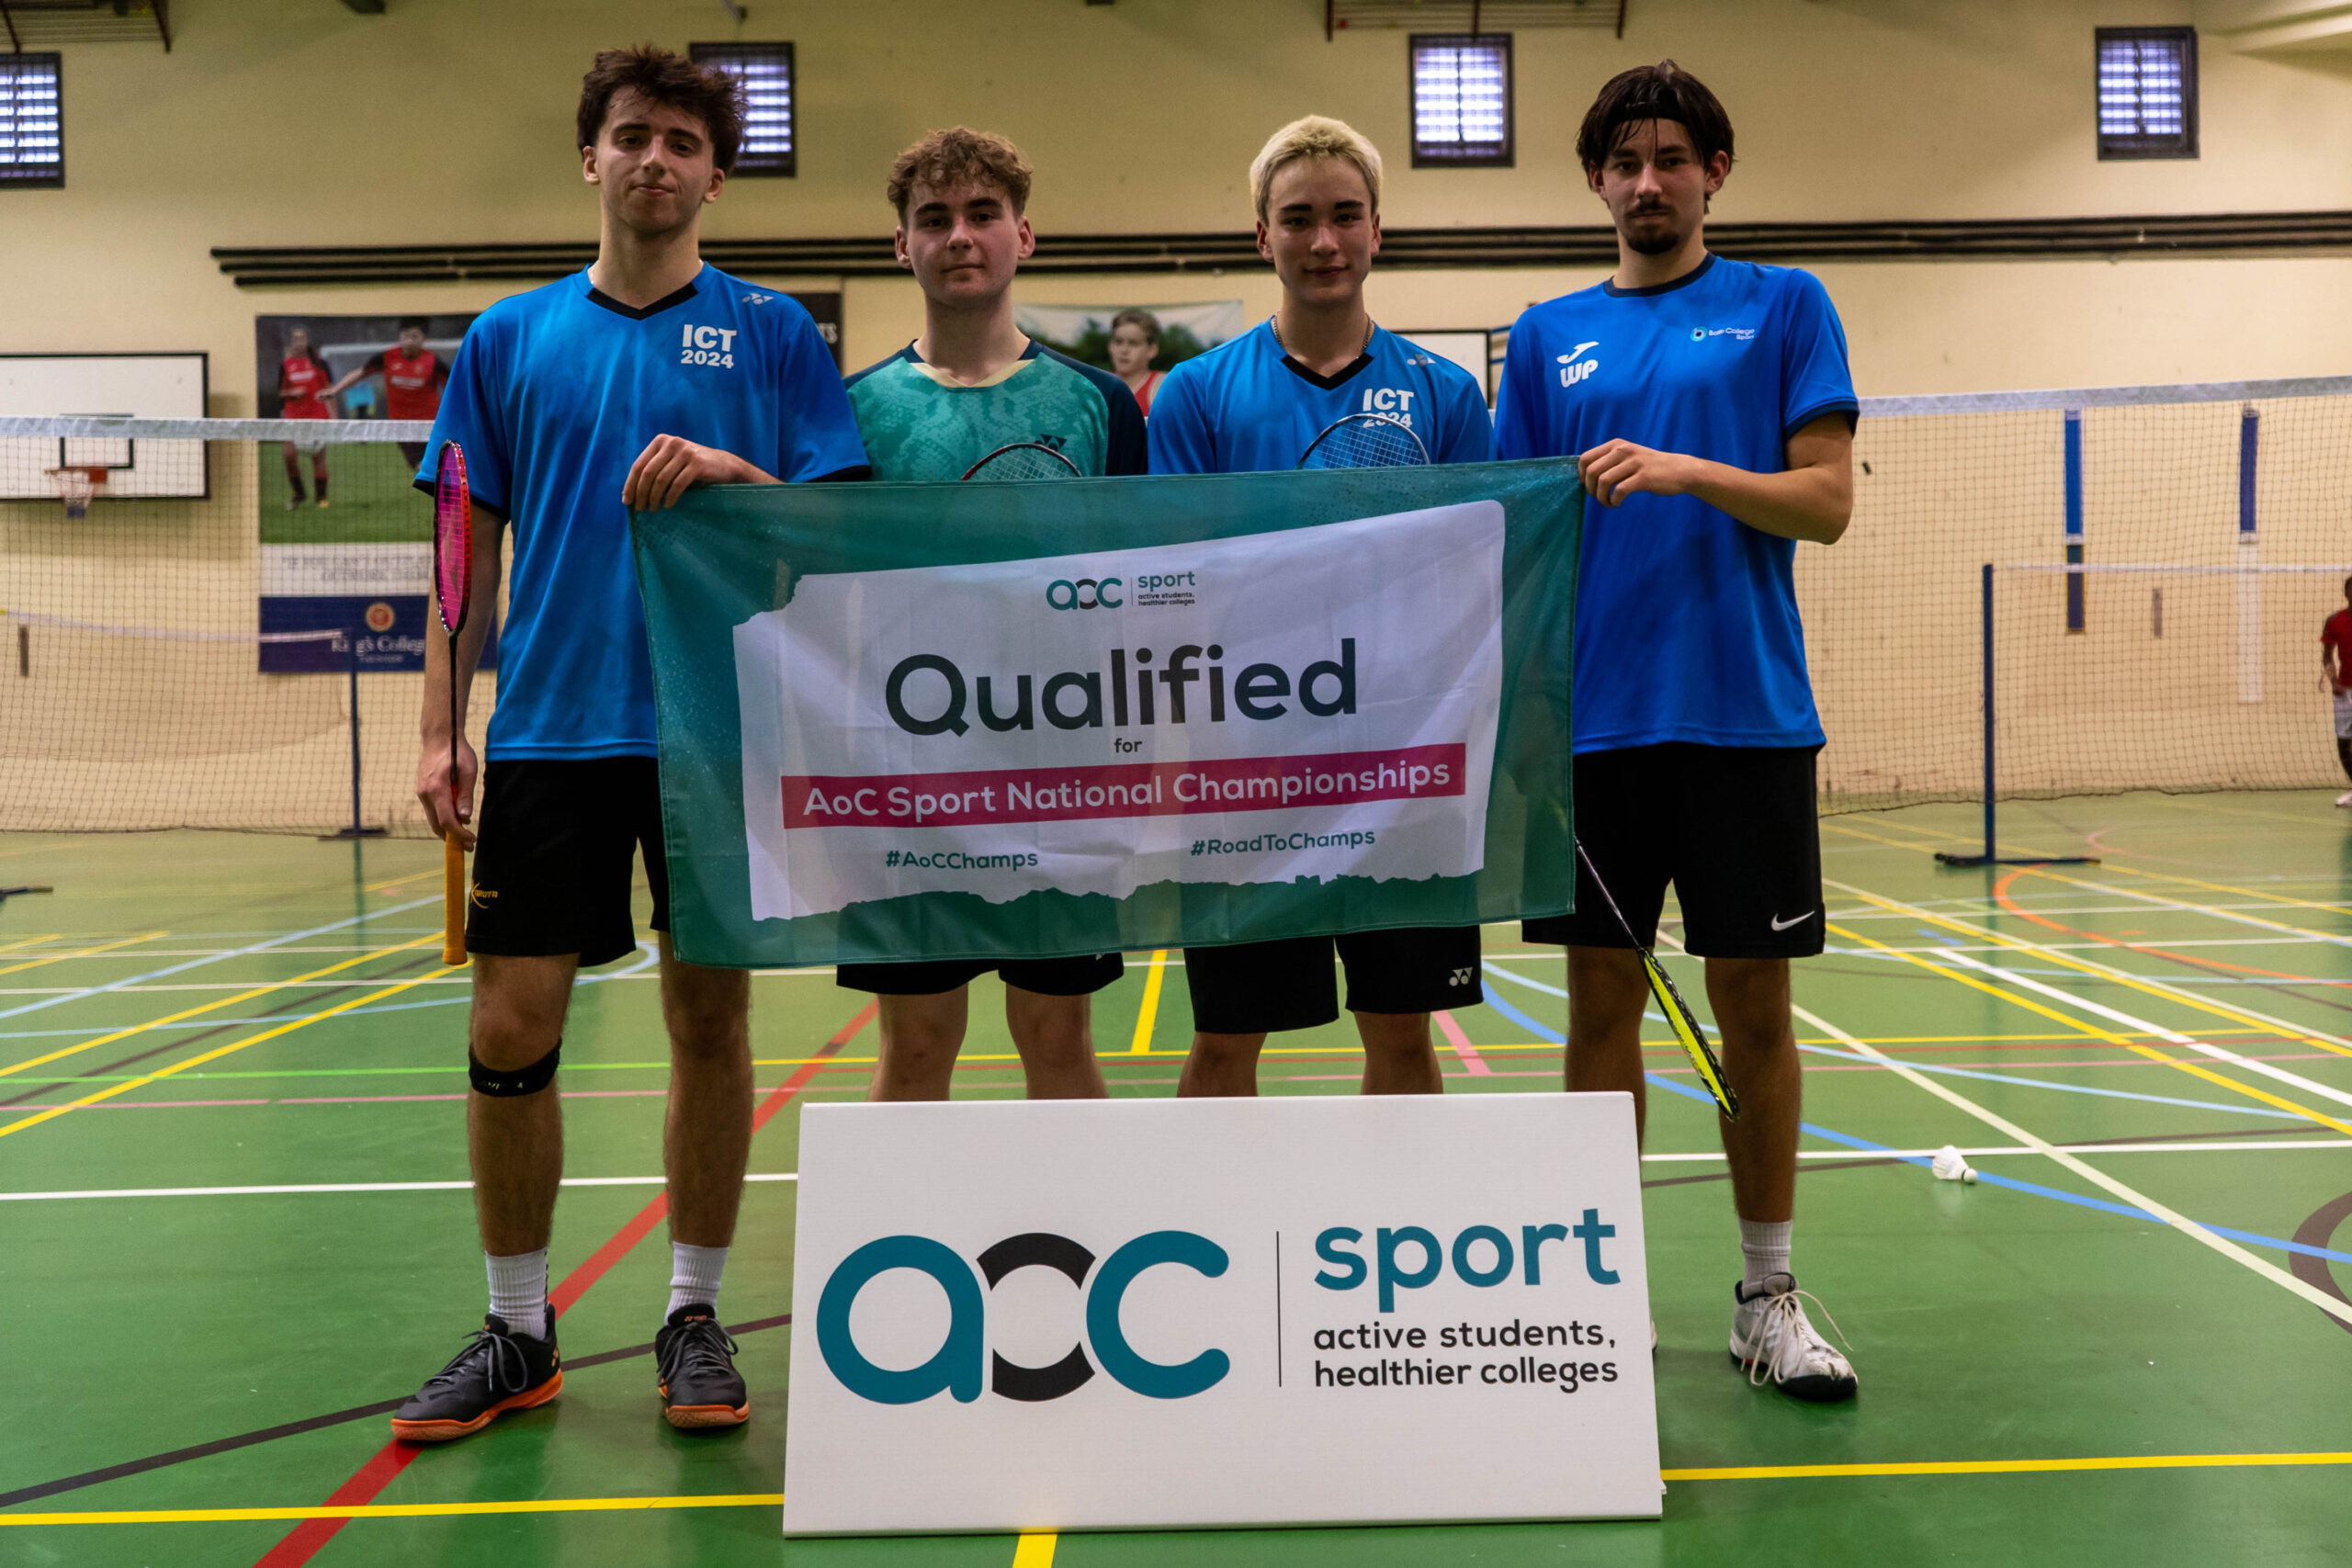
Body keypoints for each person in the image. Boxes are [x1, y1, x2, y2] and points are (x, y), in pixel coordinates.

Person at [393, 45, 867, 1444]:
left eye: (680, 140)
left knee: (709, 1019)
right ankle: (517, 1325)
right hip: (549, 728)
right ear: (589, 159)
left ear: (715, 173)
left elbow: (835, 532)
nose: (654, 158)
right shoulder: (508, 340)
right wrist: (440, 727)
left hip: (724, 730)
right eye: (629, 136)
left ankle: (694, 1307)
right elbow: (457, 553)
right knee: (508, 1024)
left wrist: (732, 472)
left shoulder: (775, 333)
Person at [1492, 61, 1860, 1402]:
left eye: (1673, 157)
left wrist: (1684, 468)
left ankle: (1769, 1293)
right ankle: (1600, 1293)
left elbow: (1825, 501)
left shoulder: (1782, 308)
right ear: (1596, 180)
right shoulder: (1543, 336)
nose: (1650, 181)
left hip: (1745, 716)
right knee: (1597, 1008)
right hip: (1593, 729)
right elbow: (1516, 532)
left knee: (1753, 1006)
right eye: (1625, 160)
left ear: (1715, 170)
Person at [1147, 116, 1492, 1097]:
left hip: (1402, 779)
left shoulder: (1446, 395)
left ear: (1378, 229)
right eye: (1298, 219)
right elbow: (1175, 589)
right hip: (1247, 782)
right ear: (1263, 236)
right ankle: (1211, 1245)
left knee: (1401, 1040)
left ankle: (1399, 1247)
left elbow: (1480, 585)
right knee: (1225, 1044)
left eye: (1345, 216)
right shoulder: (1196, 396)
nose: (1324, 240)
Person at [840, 127, 1144, 1102]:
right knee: (916, 1047)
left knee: (1057, 1040)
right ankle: (900, 1257)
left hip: (1063, 776)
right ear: (902, 246)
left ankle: (1086, 1253)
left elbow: (1142, 593)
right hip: (908, 780)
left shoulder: (1099, 405)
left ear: (1024, 235)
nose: (958, 236)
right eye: (934, 220)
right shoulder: (854, 410)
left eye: (981, 216)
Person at [323, 317, 450, 468]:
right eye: (405, 336)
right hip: (401, 427)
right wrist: (335, 390)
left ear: (424, 339)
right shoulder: (387, 357)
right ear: (400, 337)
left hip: (430, 425)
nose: (409, 341)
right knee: (422, 468)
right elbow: (360, 373)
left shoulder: (434, 361)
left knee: (434, 470)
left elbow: (453, 387)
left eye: (414, 336)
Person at [277, 324, 334, 510]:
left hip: (317, 416)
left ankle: (321, 498)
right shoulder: (286, 365)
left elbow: (329, 390)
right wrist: (293, 391)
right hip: (293, 418)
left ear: (307, 341)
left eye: (302, 338)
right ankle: (298, 493)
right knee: (289, 456)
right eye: (296, 339)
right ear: (291, 342)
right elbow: (281, 393)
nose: (299, 342)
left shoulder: (319, 363)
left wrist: (334, 417)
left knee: (318, 458)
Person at [2322, 576, 2352, 807]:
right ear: (2346, 593)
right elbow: (2327, 656)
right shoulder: (2334, 621)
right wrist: (2333, 683)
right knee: (2344, 742)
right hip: (2344, 691)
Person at [1106, 307, 1165, 415]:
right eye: (1118, 342)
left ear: (1152, 350)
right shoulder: (1098, 385)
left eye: (1134, 343)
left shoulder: (1162, 386)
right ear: (1110, 346)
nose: (1124, 350)